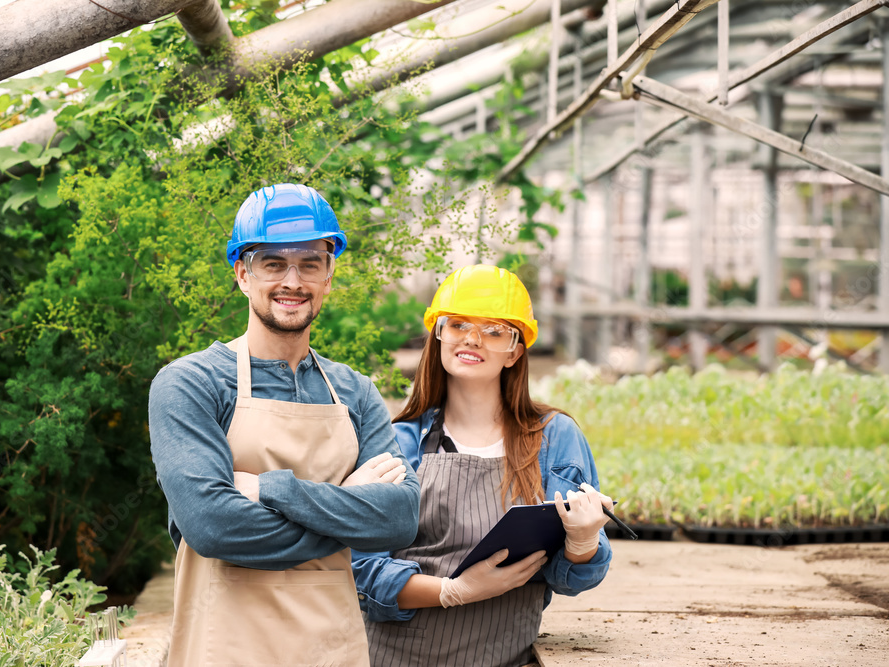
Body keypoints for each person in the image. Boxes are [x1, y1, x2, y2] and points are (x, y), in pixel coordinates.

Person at [149, 183, 420, 666]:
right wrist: (350, 506)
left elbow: (399, 518)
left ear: (329, 277)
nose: (292, 280)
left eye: (310, 263)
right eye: (273, 263)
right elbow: (213, 528)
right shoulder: (190, 384)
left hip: (332, 652)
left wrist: (269, 490)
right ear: (241, 274)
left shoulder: (355, 392)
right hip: (225, 651)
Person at [352, 264, 612, 667]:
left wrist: (583, 541)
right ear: (437, 335)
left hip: (505, 658)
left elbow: (575, 577)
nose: (472, 339)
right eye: (457, 325)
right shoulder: (399, 440)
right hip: (396, 658)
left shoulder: (553, 438)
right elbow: (362, 569)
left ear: (516, 350)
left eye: (494, 331)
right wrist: (453, 590)